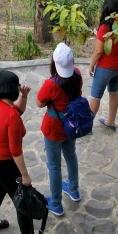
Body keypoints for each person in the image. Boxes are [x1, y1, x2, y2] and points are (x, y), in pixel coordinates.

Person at [0, 69, 52, 234]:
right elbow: (16, 152)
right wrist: (25, 176)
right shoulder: (10, 116)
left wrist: (23, 96)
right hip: (5, 162)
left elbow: (17, 110)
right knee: (23, 202)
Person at [37, 43, 81, 217]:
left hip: (54, 129)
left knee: (54, 165)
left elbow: (39, 103)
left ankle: (56, 203)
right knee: (71, 156)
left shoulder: (51, 84)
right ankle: (73, 188)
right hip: (71, 126)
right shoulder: (77, 74)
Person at [88, 0, 118, 131]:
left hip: (107, 66)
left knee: (95, 96)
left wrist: (91, 65)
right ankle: (111, 122)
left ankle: (87, 126)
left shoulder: (105, 27)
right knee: (113, 91)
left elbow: (98, 51)